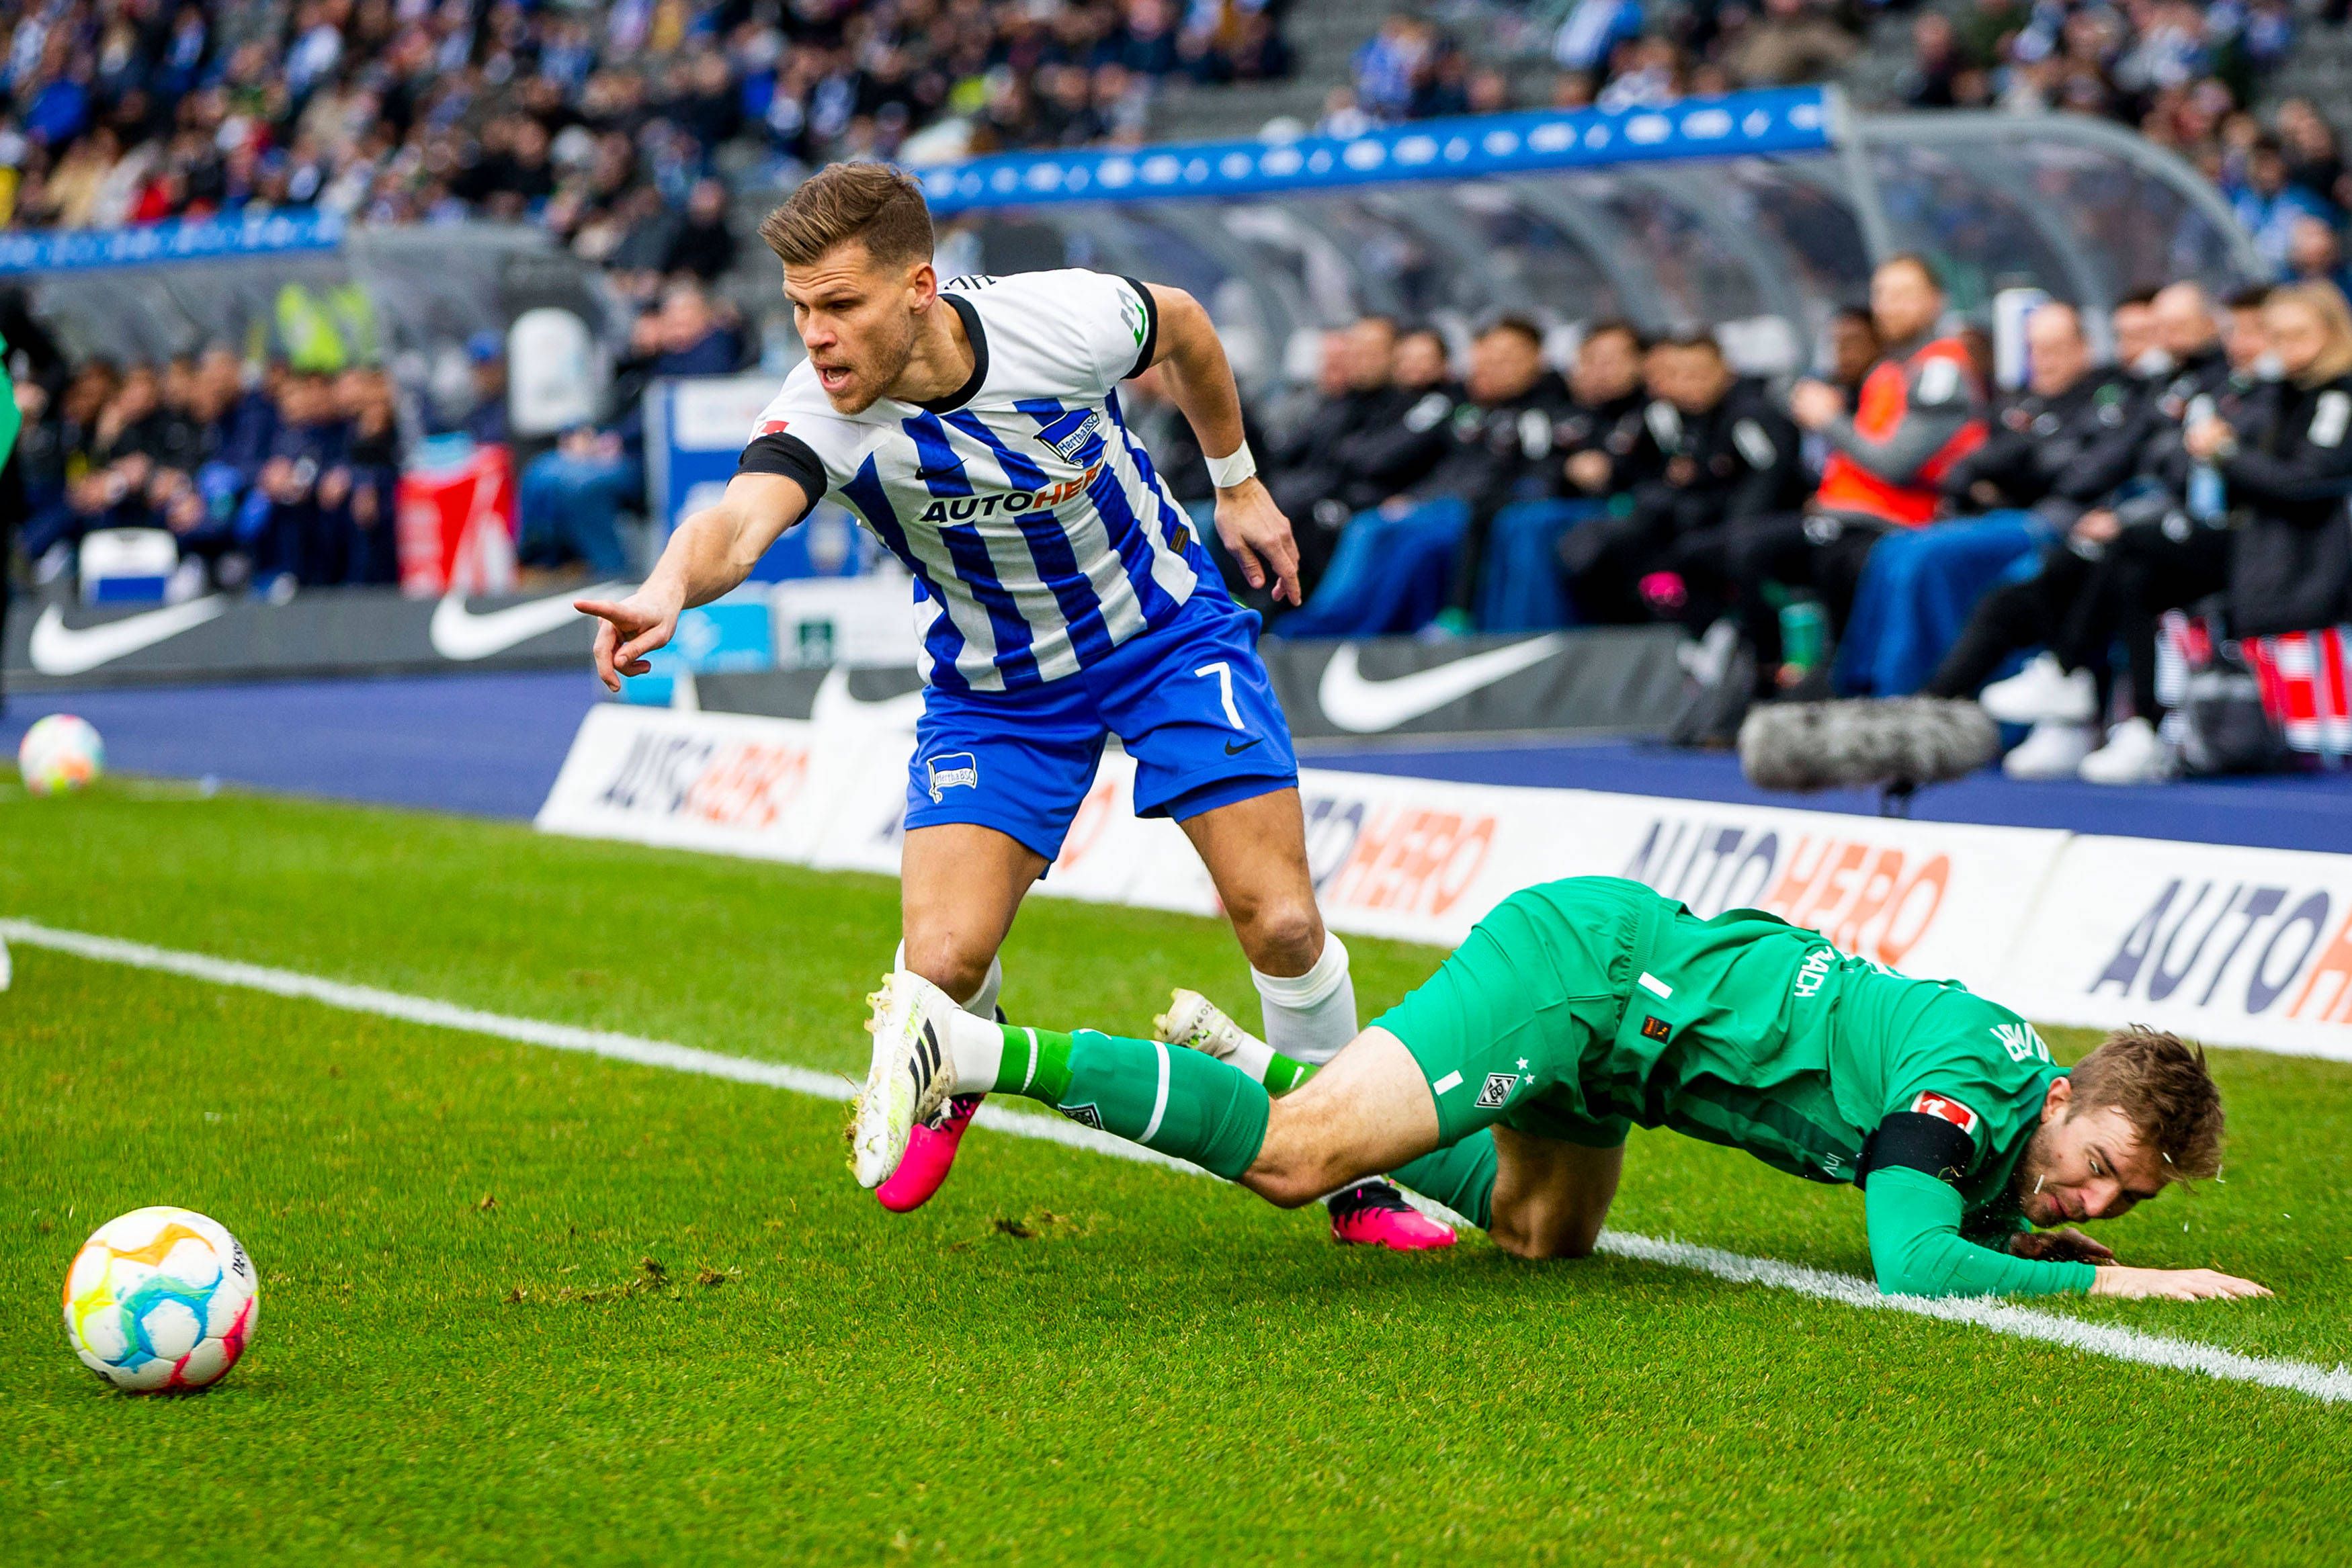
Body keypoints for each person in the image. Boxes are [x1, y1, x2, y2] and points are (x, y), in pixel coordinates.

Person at [578, 162, 1450, 1250]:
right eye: (801, 309)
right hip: (998, 695)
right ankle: (959, 1062)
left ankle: (1355, 1175)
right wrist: (665, 587)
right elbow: (738, 522)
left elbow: (1181, 326)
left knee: (1279, 916)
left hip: (1166, 635)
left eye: (841, 304)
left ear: (919, 288)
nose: (819, 337)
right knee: (938, 962)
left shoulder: (1060, 318)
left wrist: (1237, 480)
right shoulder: (824, 416)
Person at [854, 875, 2269, 1304]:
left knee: (1546, 1238)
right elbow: (1909, 1260)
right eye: (2096, 1162)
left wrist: (2036, 1232)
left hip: (1618, 1049)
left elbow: (1977, 1210)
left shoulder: (2017, 1117)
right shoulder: (1965, 1095)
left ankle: (1269, 1065)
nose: (2091, 1197)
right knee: (1297, 1163)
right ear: (2074, 1089)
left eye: (2120, 1205)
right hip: (1587, 980)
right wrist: (2133, 1287)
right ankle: (974, 1052)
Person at [1738, 254, 1986, 688]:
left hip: (1900, 523)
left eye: (1905, 295)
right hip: (1844, 516)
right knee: (1743, 548)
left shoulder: (1941, 370)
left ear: (1936, 303)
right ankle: (1774, 675)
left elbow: (1896, 464)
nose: (1891, 306)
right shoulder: (1890, 369)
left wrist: (1828, 419)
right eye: (1884, 295)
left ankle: (1846, 683)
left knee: (1816, 559)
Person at [1568, 331, 1804, 627]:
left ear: (1724, 370)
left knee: (1692, 547)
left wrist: (1733, 534)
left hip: (1759, 526)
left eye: (1698, 374)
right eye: (1678, 375)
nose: (1688, 384)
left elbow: (1769, 479)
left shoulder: (1748, 416)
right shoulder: (1685, 418)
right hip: (1705, 523)